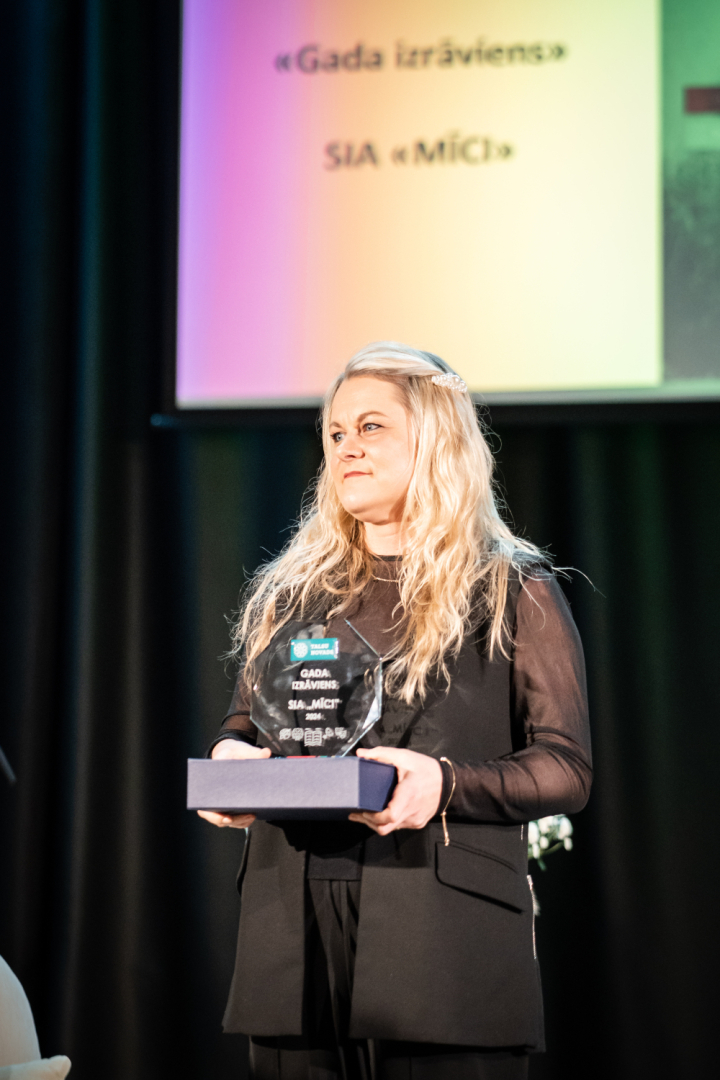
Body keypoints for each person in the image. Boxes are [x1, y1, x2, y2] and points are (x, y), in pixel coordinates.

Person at [199, 342, 592, 1080]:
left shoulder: (511, 588)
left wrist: (443, 784)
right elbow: (243, 725)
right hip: (293, 933)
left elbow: (565, 768)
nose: (347, 447)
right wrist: (232, 764)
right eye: (336, 432)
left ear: (436, 440)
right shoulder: (294, 594)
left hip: (444, 934)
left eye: (371, 427)